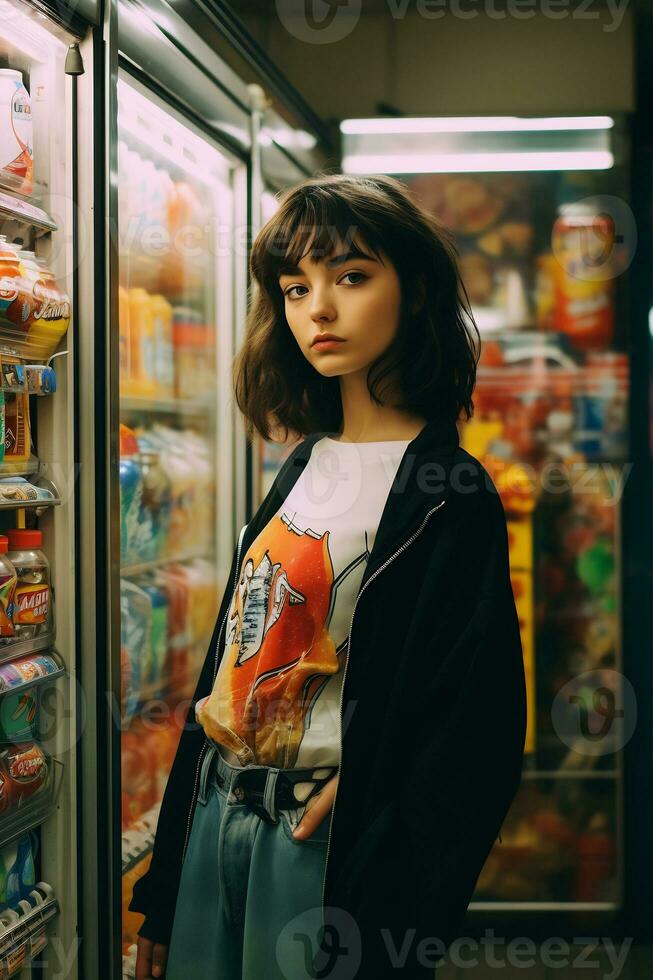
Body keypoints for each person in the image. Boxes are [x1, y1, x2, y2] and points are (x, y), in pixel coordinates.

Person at [132, 172, 527, 979]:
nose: (319, 308)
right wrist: (165, 891)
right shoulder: (304, 463)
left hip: (318, 849)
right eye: (295, 286)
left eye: (351, 277)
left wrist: (377, 793)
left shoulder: (446, 492)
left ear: (413, 291)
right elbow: (224, 678)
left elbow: (477, 724)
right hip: (217, 815)